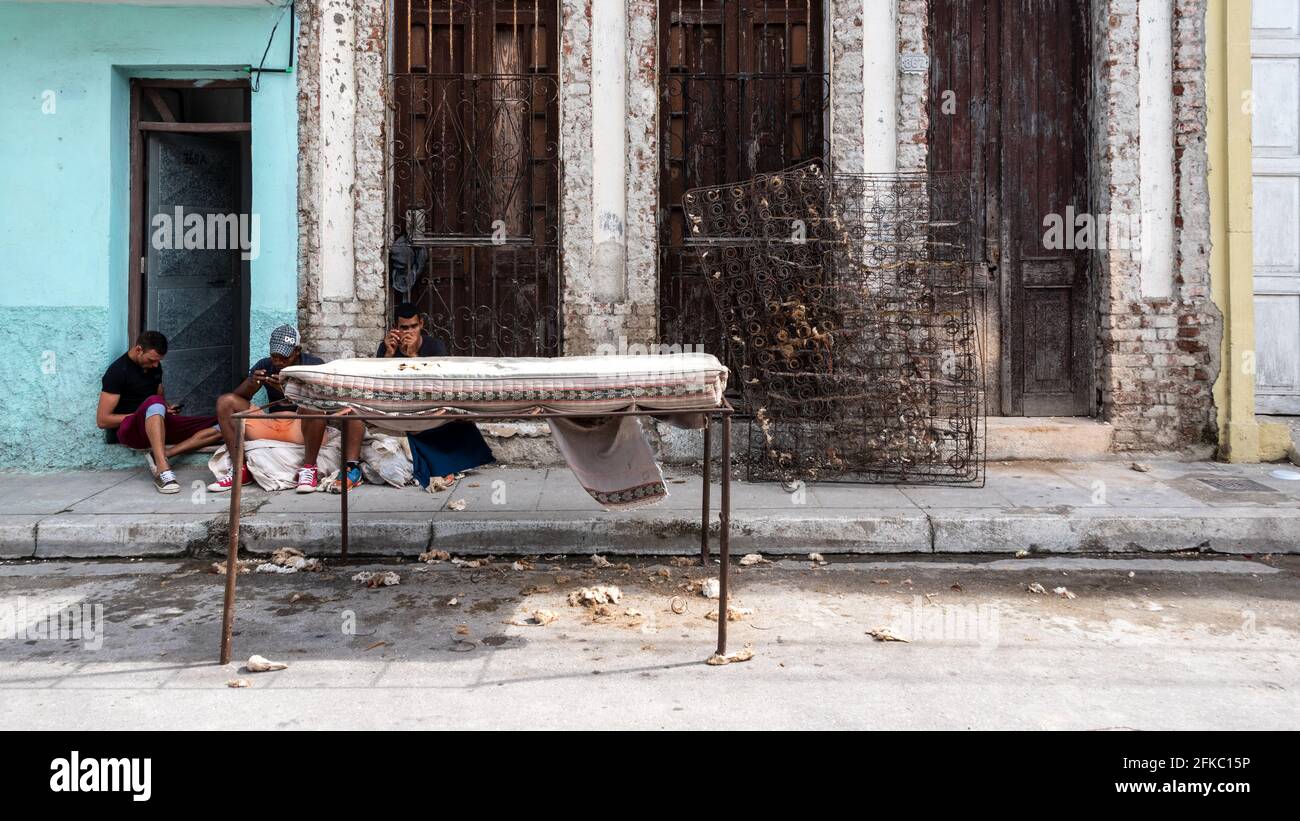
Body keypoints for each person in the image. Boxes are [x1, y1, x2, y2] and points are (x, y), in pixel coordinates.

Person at [377, 303, 495, 487]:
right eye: (404, 328)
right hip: (399, 403)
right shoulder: (386, 347)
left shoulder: (434, 346)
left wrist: (414, 355)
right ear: (396, 328)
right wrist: (389, 355)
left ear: (421, 324)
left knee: (456, 417)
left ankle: (447, 462)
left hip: (430, 402)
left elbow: (438, 383)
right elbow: (380, 383)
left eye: (414, 326)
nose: (410, 332)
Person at [96, 331, 221, 494]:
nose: (155, 365)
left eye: (158, 361)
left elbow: (160, 396)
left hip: (157, 423)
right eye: (152, 360)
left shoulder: (155, 367)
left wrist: (165, 408)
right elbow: (103, 420)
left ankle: (165, 454)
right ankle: (163, 471)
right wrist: (147, 413)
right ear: (138, 350)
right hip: (132, 431)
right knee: (153, 403)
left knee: (227, 422)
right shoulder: (117, 371)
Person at [209, 325, 328, 493]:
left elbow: (323, 404)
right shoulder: (265, 365)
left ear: (297, 351)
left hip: (300, 429)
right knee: (225, 401)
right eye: (274, 356)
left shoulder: (313, 366)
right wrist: (251, 384)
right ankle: (239, 471)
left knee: (313, 408)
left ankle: (309, 469)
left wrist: (285, 390)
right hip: (269, 427)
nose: (278, 362)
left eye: (284, 358)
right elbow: (237, 400)